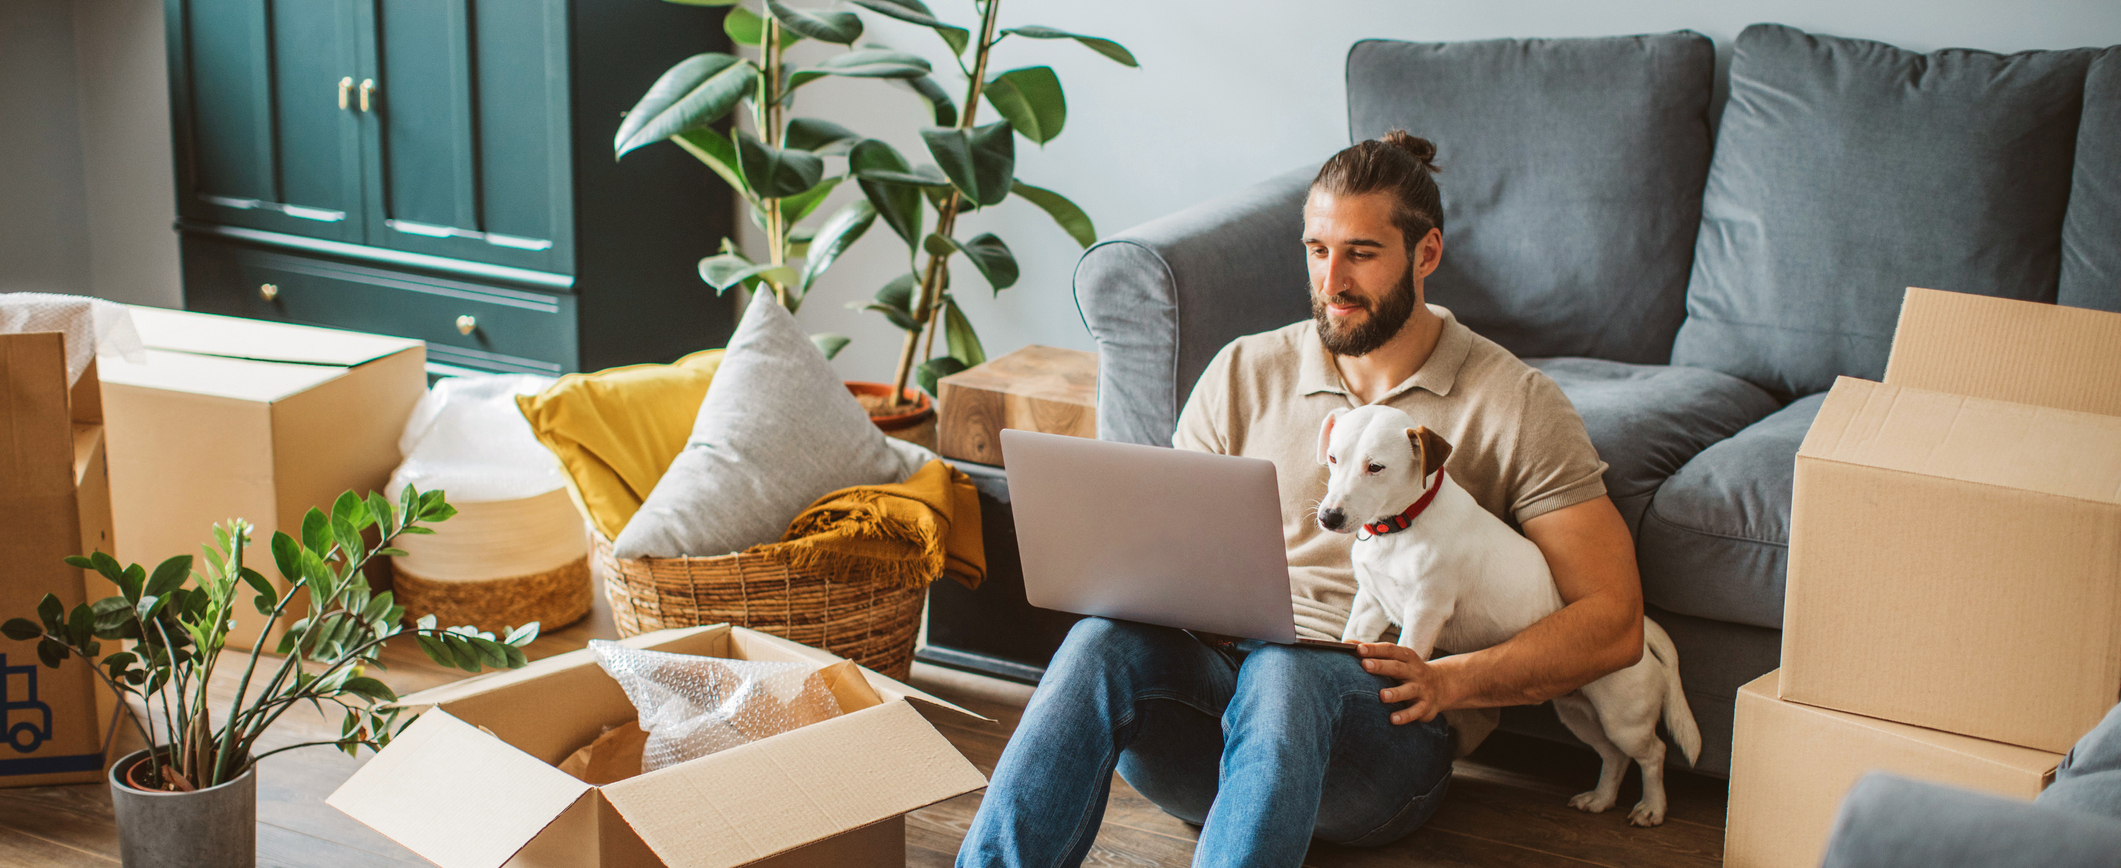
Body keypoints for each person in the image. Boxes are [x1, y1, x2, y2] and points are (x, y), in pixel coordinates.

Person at [956, 131, 1646, 868]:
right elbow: (1169, 549)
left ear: (1426, 253)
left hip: (1380, 750)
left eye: (1361, 252)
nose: (1332, 279)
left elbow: (1612, 623)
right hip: (1215, 725)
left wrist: (1448, 681)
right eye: (1317, 250)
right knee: (1100, 642)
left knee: (1288, 673)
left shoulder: (1516, 403)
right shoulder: (1244, 370)